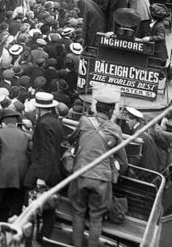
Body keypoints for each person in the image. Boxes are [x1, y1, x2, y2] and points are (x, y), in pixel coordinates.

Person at [68, 90, 127, 247]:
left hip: (80, 173)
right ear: (111, 111)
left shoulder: (83, 121)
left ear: (96, 108)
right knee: (96, 217)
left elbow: (71, 139)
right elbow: (124, 161)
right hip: (101, 179)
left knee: (78, 212)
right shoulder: (115, 130)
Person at [23, 92, 64, 243]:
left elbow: (47, 151)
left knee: (30, 208)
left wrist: (41, 177)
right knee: (49, 207)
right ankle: (44, 238)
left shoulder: (43, 123)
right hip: (53, 172)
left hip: (40, 171)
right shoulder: (55, 122)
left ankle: (29, 241)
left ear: (38, 108)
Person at [0, 107, 30, 221]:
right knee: (15, 208)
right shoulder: (26, 135)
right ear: (16, 123)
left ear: (3, 124)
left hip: (1, 175)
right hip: (20, 176)